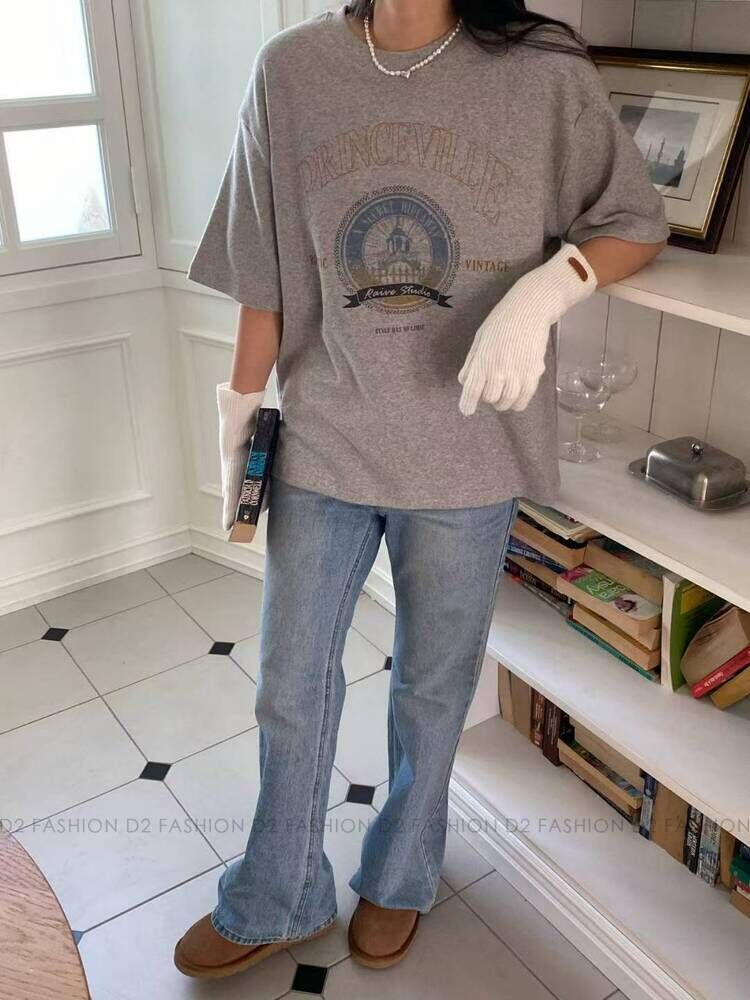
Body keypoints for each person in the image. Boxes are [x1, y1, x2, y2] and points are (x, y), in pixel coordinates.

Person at [174, 0, 669, 979]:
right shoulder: (290, 70)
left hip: (469, 449)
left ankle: (399, 877)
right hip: (326, 439)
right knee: (289, 684)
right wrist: (239, 424)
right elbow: (264, 275)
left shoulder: (543, 70)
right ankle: (280, 893)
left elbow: (634, 222)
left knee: (433, 689)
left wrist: (544, 289)